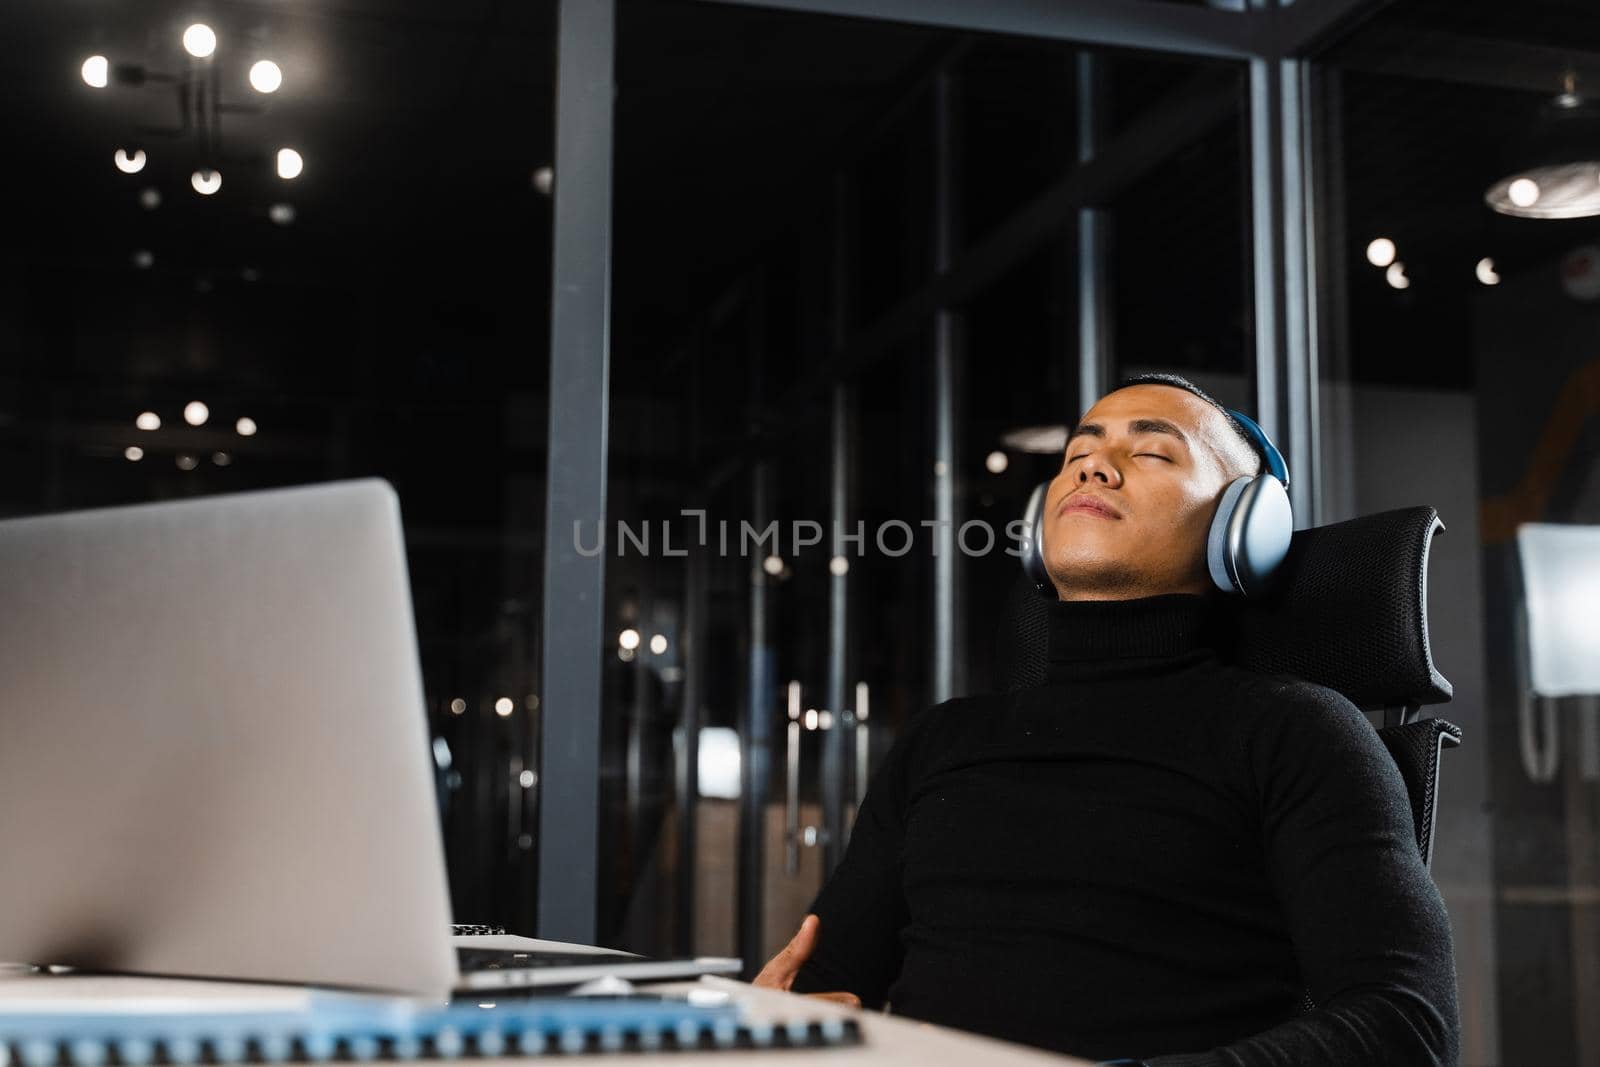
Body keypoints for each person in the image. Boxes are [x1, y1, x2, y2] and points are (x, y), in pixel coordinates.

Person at [753, 374, 1461, 1066]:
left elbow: (1405, 1025)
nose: (1094, 464)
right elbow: (820, 985)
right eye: (1075, 454)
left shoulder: (1297, 733)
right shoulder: (943, 741)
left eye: (1151, 451)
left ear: (1248, 524)